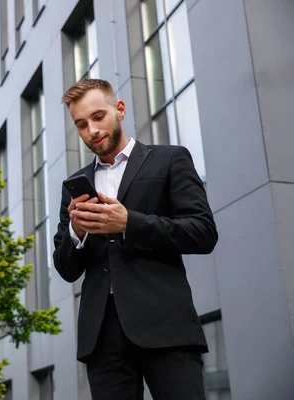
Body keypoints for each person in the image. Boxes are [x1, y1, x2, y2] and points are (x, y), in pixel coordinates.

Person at [53, 78, 218, 400]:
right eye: (81, 125)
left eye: (98, 117)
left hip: (166, 325)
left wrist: (130, 222)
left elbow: (203, 233)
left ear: (120, 109)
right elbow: (66, 269)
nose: (92, 131)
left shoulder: (169, 159)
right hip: (101, 336)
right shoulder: (74, 185)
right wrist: (77, 232)